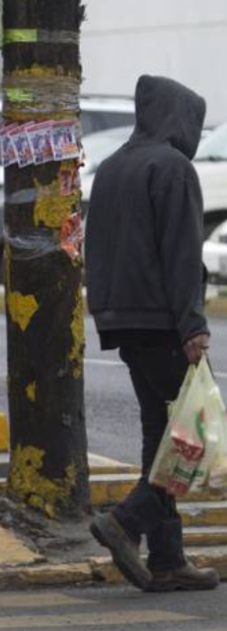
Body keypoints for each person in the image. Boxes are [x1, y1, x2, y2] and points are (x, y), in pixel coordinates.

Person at [86, 75, 220, 593]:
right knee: (190, 438)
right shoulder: (174, 168)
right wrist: (193, 326)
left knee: (159, 438)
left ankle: (167, 559)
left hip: (123, 319)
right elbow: (182, 254)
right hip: (164, 321)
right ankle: (125, 521)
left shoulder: (114, 166)